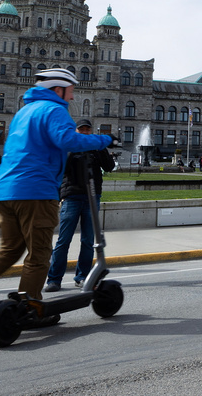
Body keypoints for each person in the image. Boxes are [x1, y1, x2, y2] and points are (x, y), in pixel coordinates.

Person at [0, 68, 115, 337]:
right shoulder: (54, 109)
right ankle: (30, 309)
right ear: (58, 89)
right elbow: (67, 139)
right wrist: (104, 139)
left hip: (5, 191)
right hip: (36, 191)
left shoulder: (23, 112)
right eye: (70, 91)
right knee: (38, 255)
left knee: (9, 250)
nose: (72, 97)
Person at [44, 119, 116, 292]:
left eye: (87, 129)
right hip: (72, 197)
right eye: (81, 129)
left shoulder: (97, 147)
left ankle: (82, 276)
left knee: (88, 240)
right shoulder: (68, 146)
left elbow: (109, 166)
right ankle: (54, 279)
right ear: (76, 131)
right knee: (64, 239)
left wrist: (98, 148)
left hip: (92, 197)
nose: (84, 132)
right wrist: (75, 148)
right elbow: (59, 168)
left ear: (91, 131)